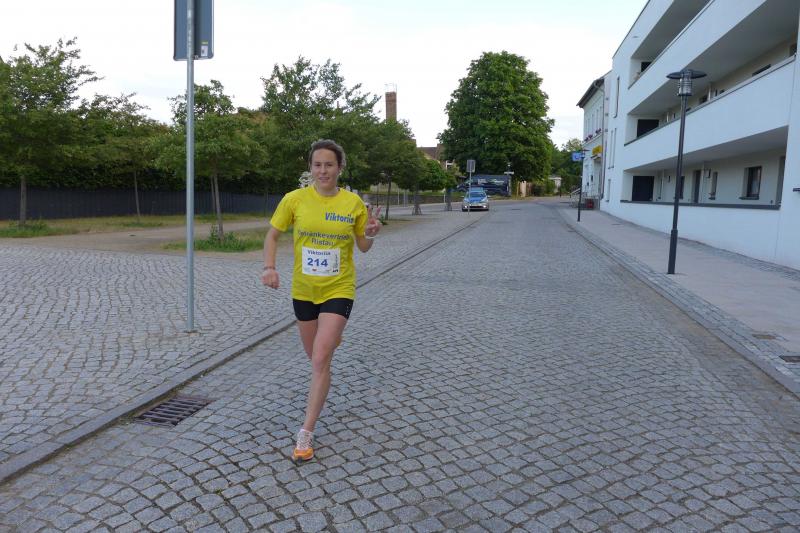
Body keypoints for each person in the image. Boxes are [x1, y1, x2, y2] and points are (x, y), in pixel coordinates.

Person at [261, 139, 382, 464]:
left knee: (318, 359)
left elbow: (363, 246)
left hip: (338, 288)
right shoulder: (294, 199)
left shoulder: (353, 203)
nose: (323, 171)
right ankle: (331, 340)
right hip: (304, 291)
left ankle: (306, 431)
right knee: (317, 358)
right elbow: (272, 235)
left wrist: (371, 233)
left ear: (340, 168)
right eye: (318, 165)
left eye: (329, 165)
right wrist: (269, 267)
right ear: (310, 168)